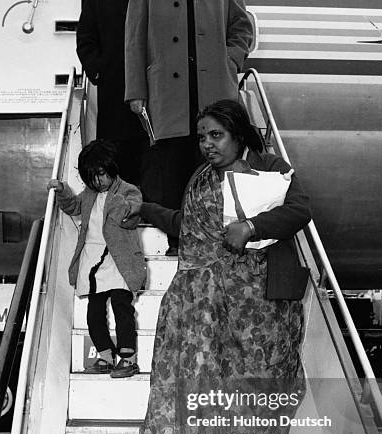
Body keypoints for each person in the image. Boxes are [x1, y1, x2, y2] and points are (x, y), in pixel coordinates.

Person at [126, 100, 310, 434]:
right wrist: (148, 211)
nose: (207, 145)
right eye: (202, 137)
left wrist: (252, 227)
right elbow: (190, 226)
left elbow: (300, 210)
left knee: (255, 377)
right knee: (197, 384)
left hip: (258, 303)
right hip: (205, 301)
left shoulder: (268, 165)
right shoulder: (202, 177)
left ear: (238, 133)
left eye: (216, 135)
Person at [124, 0, 253, 254]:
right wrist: (136, 90)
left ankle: (217, 243)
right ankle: (178, 244)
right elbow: (134, 37)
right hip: (167, 92)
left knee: (217, 172)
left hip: (214, 88)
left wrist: (231, 59)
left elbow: (242, 25)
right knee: (171, 171)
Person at [48, 140, 146, 378]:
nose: (97, 182)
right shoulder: (89, 194)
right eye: (91, 177)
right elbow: (72, 207)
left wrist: (115, 198)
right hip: (93, 261)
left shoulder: (128, 191)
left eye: (101, 175)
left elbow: (132, 212)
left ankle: (128, 358)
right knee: (94, 312)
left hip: (119, 262)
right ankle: (104, 356)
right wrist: (63, 190)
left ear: (112, 169)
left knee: (122, 309)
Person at [76, 0, 148, 186]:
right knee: (116, 160)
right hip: (114, 92)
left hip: (153, 90)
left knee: (153, 162)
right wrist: (101, 71)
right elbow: (85, 39)